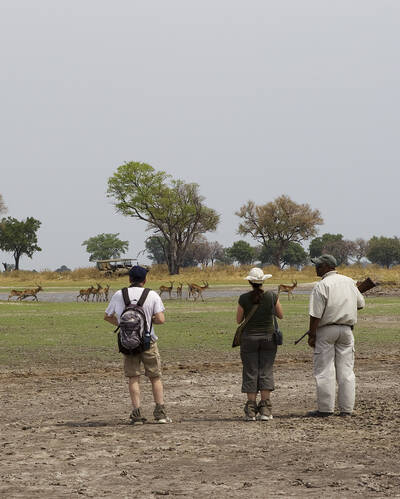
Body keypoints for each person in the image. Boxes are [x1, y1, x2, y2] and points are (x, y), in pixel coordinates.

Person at [104, 265, 171, 425]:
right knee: (155, 377)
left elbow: (107, 316)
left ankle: (136, 414)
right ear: (145, 280)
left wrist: (122, 324)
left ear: (129, 279)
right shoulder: (152, 295)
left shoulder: (120, 294)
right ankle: (160, 414)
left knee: (133, 377)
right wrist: (148, 322)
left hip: (127, 343)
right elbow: (161, 320)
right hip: (149, 341)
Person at [307, 254, 365, 417]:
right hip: (346, 330)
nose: (316, 268)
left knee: (325, 370)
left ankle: (325, 409)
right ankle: (347, 409)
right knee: (346, 370)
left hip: (326, 330)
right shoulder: (349, 282)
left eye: (319, 265)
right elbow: (360, 304)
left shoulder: (322, 285)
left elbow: (315, 314)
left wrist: (312, 334)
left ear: (327, 267)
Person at [236, 267, 283, 421]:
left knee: (250, 371)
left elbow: (238, 320)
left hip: (249, 339)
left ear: (250, 281)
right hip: (269, 339)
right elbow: (280, 315)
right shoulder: (271, 296)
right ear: (263, 281)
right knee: (266, 370)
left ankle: (250, 409)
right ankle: (265, 409)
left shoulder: (243, 298)